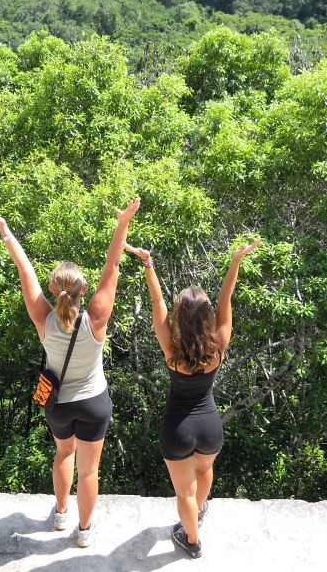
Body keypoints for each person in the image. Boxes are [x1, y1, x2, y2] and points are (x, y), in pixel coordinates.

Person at [0, 198, 140, 548]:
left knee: (64, 454)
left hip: (58, 404)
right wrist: (123, 222)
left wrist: (5, 230)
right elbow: (113, 264)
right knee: (90, 469)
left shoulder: (44, 319)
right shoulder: (96, 317)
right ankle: (83, 532)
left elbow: (25, 271)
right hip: (94, 402)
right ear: (84, 290)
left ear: (54, 290)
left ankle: (61, 514)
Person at [124, 237, 260, 559]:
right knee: (204, 471)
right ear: (207, 317)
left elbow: (157, 305)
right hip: (210, 426)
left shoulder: (172, 350)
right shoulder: (218, 347)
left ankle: (193, 541)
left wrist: (149, 265)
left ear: (180, 318)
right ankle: (198, 514)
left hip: (177, 429)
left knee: (184, 490)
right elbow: (226, 299)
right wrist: (235, 261)